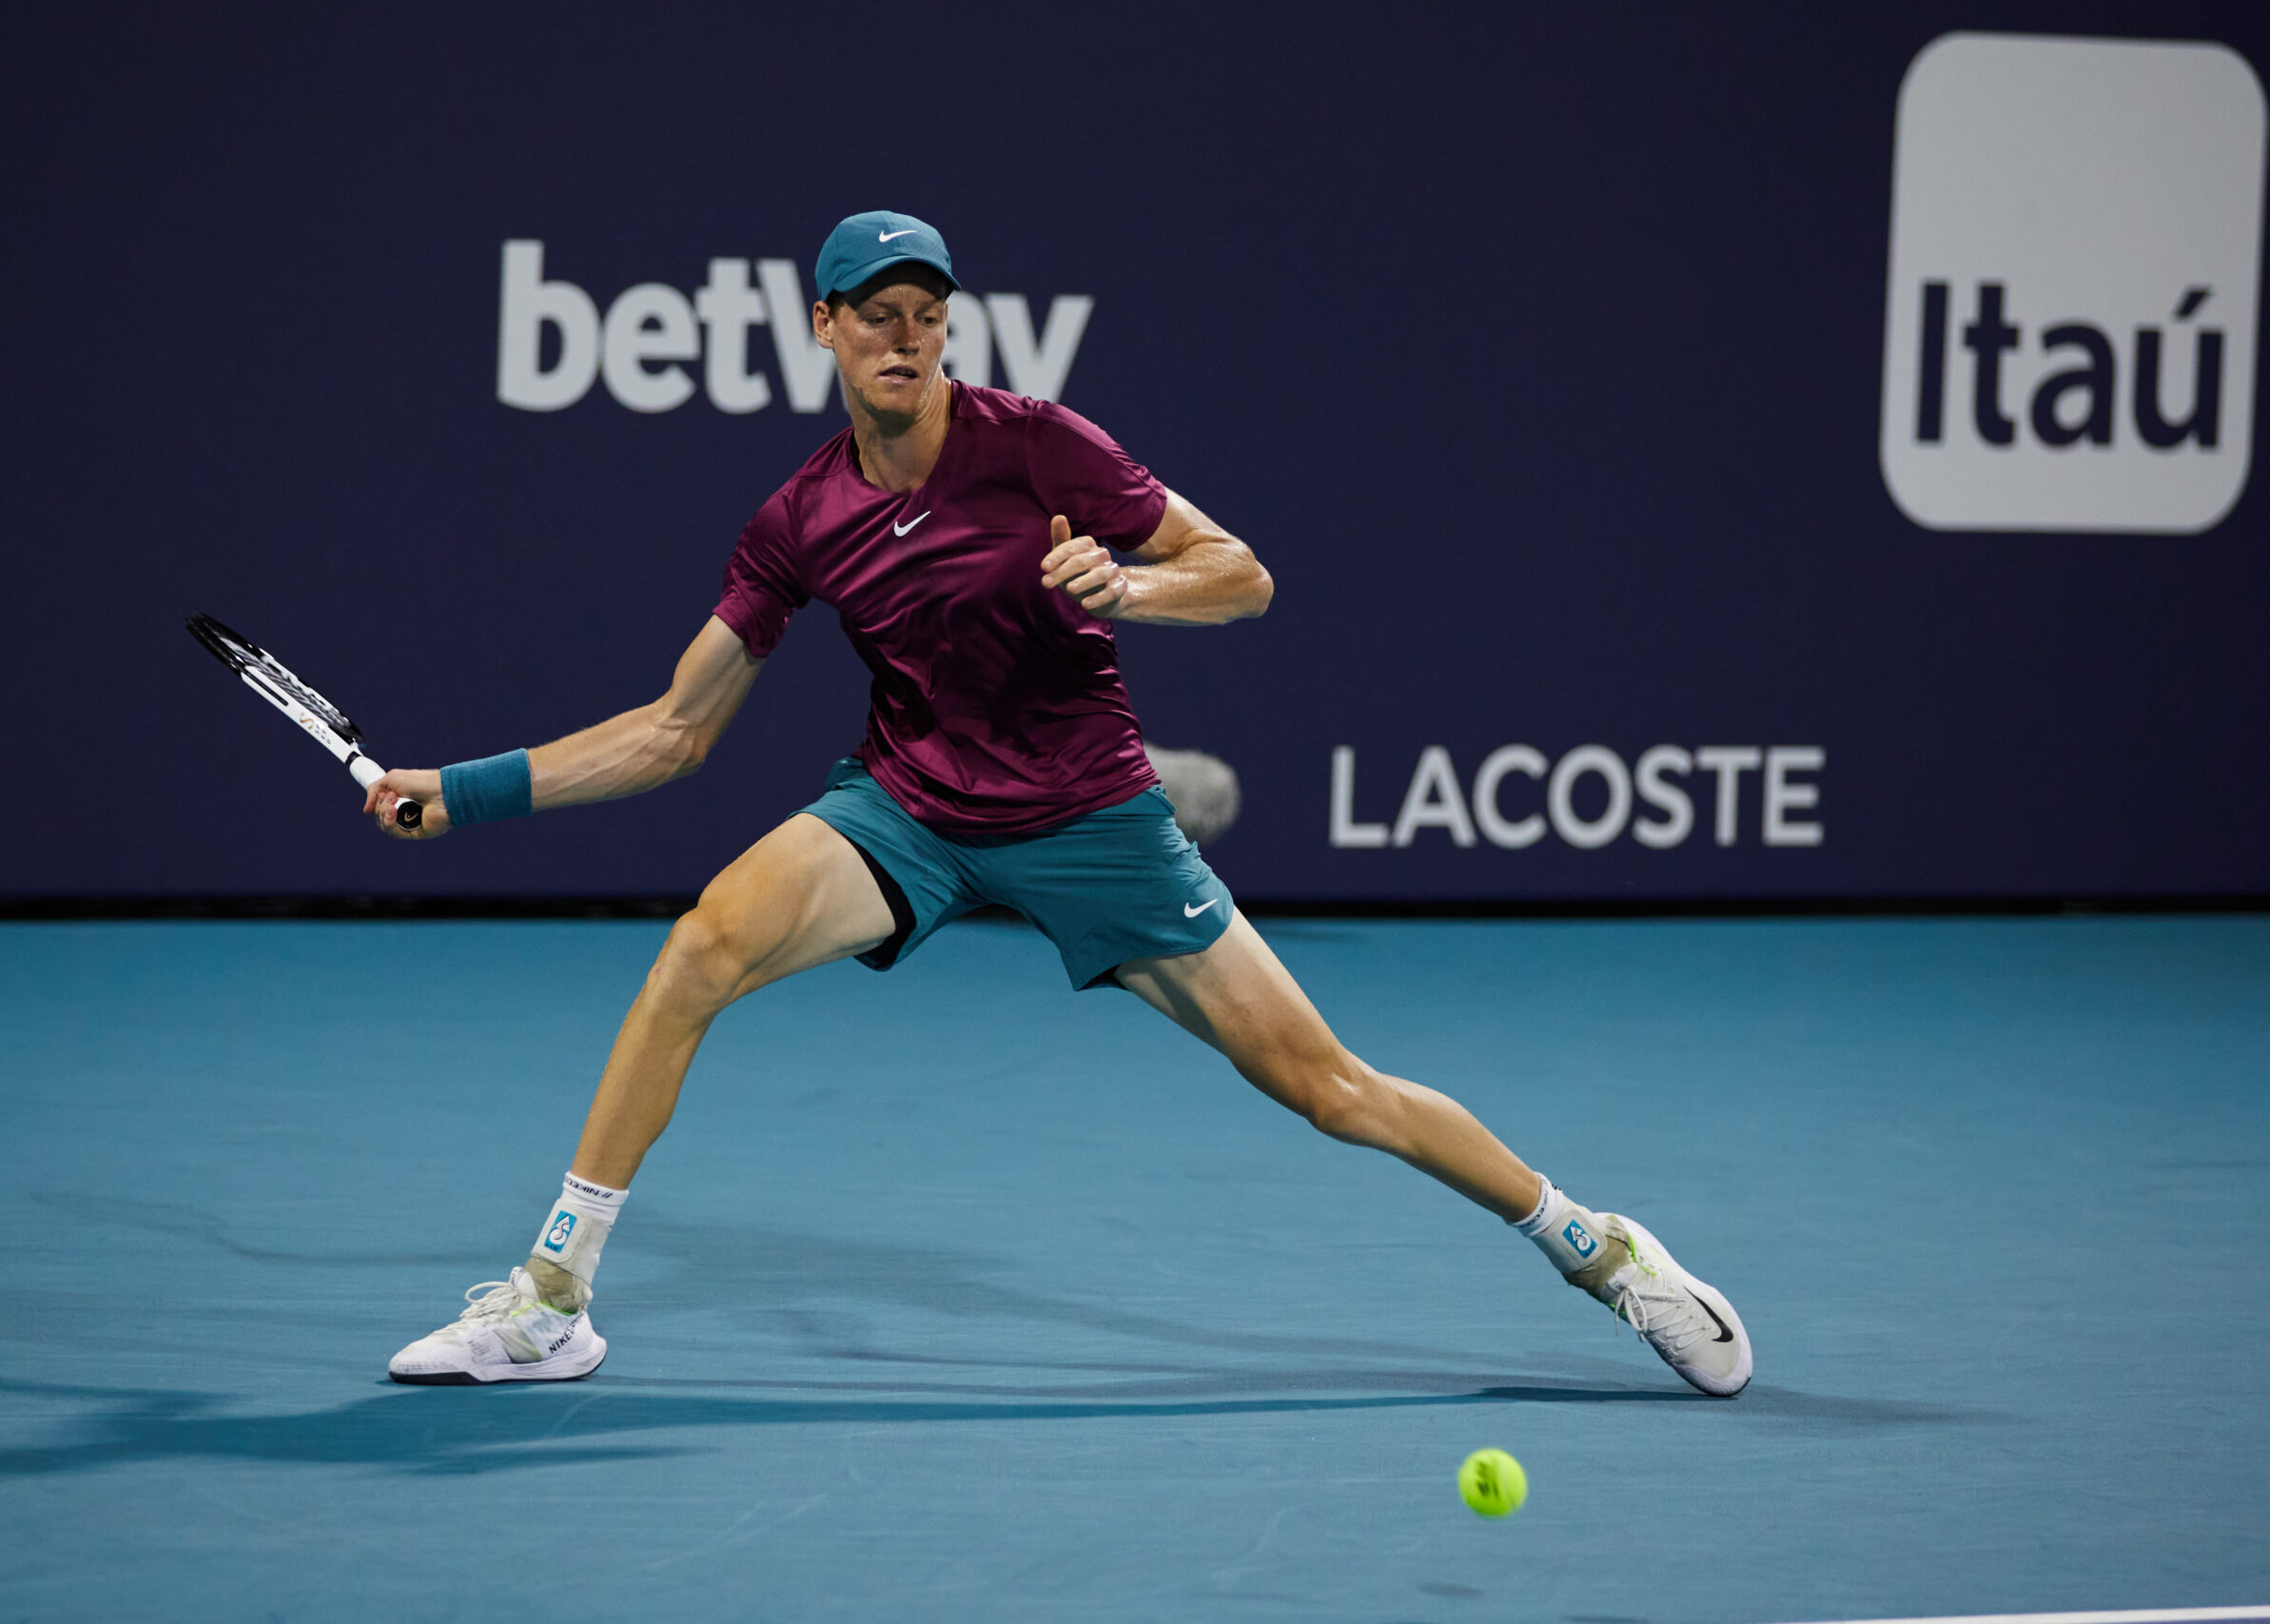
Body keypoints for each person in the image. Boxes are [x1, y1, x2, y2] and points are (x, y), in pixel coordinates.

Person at [368, 211, 1751, 1399]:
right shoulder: (799, 516)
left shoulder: (1041, 448)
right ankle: (552, 1299)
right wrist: (466, 795)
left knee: (1331, 1091)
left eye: (930, 315)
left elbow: (1243, 573)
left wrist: (1133, 588)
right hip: (908, 811)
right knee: (699, 949)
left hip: (1094, 822)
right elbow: (675, 732)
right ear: (826, 329)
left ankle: (1597, 1247)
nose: (907, 339)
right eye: (878, 317)